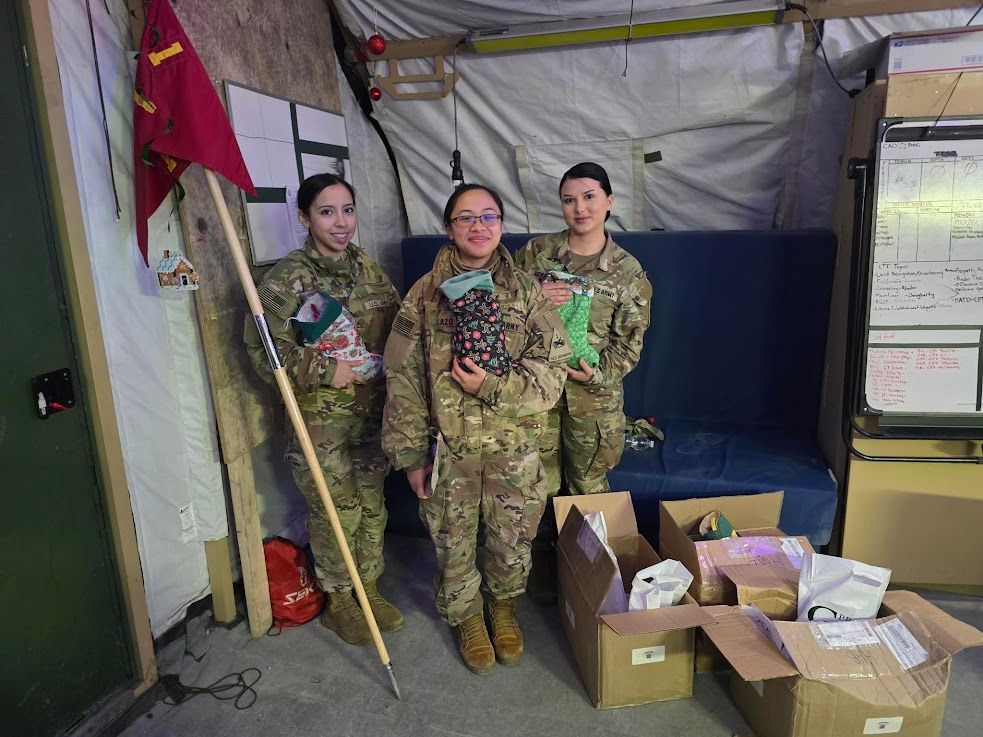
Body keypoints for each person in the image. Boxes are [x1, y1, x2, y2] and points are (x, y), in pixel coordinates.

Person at [381, 184, 571, 674]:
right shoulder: (424, 295)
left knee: (512, 542)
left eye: (489, 216)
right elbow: (402, 378)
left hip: (514, 450)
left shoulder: (527, 293)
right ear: (449, 228)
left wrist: (492, 385)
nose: (479, 226)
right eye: (466, 218)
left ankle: (503, 608)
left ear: (502, 226)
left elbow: (551, 377)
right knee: (453, 543)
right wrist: (409, 460)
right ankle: (466, 617)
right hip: (450, 450)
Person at [244, 173, 403, 645]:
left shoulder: (367, 270)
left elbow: (397, 329)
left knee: (373, 507)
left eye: (348, 210)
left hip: (371, 419)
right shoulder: (286, 280)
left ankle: (367, 587)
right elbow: (261, 352)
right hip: (321, 424)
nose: (341, 223)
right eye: (327, 212)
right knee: (337, 511)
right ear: (304, 218)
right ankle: (339, 600)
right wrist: (321, 369)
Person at [514, 162, 652, 602]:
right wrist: (535, 298)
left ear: (609, 201)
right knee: (537, 486)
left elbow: (629, 344)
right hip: (537, 395)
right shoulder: (535, 256)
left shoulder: (628, 272)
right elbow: (502, 315)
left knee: (589, 491)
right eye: (569, 199)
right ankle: (543, 568)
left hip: (593, 404)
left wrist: (598, 373)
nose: (580, 208)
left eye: (590, 196)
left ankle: (588, 576)